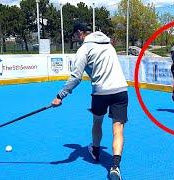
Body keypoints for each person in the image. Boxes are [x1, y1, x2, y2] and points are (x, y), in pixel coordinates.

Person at [51, 23, 128, 180]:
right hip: (121, 90)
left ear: (80, 33)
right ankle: (115, 166)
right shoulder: (108, 44)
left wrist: (60, 96)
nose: (75, 39)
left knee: (97, 122)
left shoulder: (84, 49)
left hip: (101, 92)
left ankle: (96, 151)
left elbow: (75, 77)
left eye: (74, 35)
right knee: (118, 129)